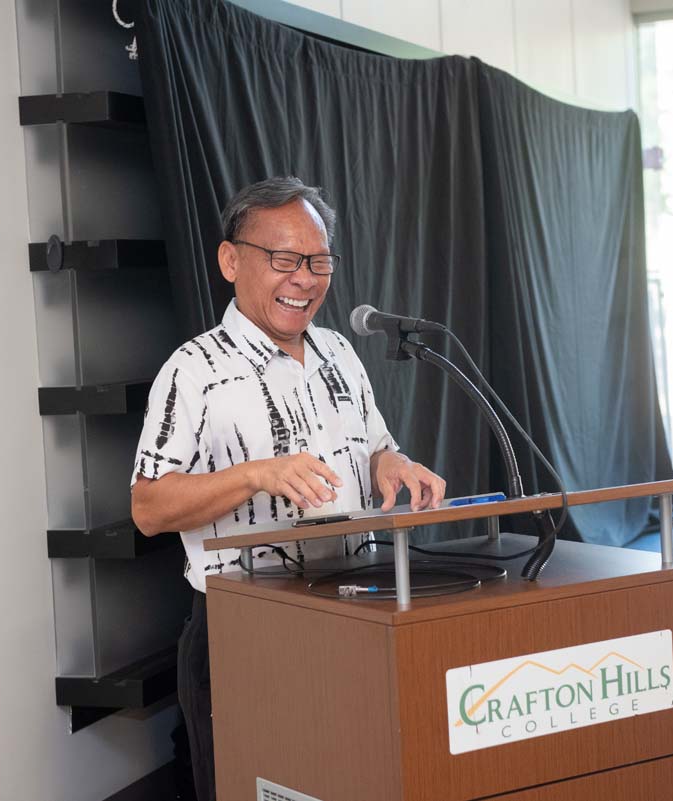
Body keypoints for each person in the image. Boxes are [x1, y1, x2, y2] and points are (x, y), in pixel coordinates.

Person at [130, 176, 446, 801]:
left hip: (358, 611)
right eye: (284, 260)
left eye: (319, 261)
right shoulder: (194, 370)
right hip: (247, 627)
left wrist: (391, 462)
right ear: (230, 260)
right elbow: (147, 508)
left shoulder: (339, 354)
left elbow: (378, 444)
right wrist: (255, 473)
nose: (305, 278)